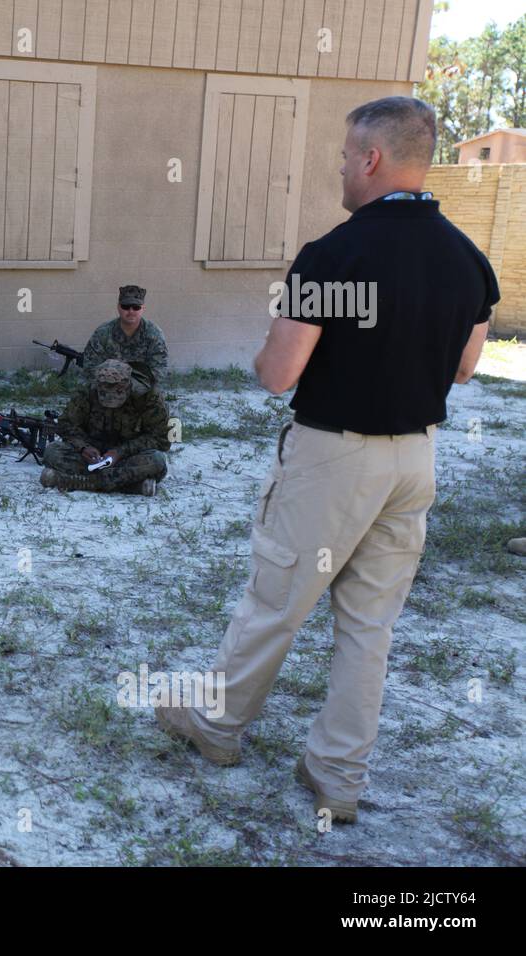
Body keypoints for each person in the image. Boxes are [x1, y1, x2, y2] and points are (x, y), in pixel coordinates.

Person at [154, 96, 500, 826]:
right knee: (370, 626)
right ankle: (338, 775)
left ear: (371, 158)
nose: (341, 168)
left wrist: (264, 349)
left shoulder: (335, 254)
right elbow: (466, 369)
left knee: (278, 600)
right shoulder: (470, 260)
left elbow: (279, 374)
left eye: (347, 155)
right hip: (415, 462)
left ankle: (218, 726)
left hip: (334, 458)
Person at [40, 360, 169, 495]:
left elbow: (161, 438)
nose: (111, 398)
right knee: (52, 451)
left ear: (128, 386)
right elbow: (66, 424)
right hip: (93, 456)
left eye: (118, 393)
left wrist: (120, 452)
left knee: (157, 460)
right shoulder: (86, 392)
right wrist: (84, 447)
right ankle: (131, 487)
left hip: (128, 457)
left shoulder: (148, 397)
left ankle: (75, 482)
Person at [81, 285, 168, 387]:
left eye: (136, 307)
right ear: (118, 307)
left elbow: (159, 369)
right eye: (126, 307)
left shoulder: (154, 334)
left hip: (141, 388)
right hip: (108, 387)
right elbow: (90, 366)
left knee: (156, 399)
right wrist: (111, 381)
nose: (131, 311)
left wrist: (133, 385)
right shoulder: (103, 333)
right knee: (81, 397)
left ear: (143, 308)